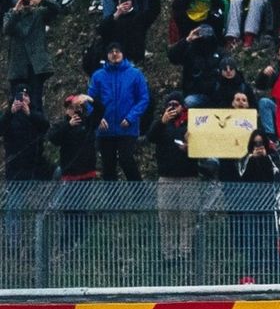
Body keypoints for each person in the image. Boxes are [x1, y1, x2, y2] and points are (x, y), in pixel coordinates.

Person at [145, 90, 199, 260]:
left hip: (189, 177)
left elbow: (203, 147)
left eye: (176, 105)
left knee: (187, 218)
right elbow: (150, 137)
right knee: (166, 218)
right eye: (169, 105)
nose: (173, 108)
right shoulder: (161, 124)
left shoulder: (192, 123)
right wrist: (162, 121)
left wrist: (190, 148)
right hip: (166, 178)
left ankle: (185, 253)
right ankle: (168, 254)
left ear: (183, 106)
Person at [87, 41, 149, 180]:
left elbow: (143, 99)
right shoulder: (98, 75)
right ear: (107, 55)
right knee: (108, 165)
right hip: (105, 129)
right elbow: (89, 99)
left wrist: (131, 117)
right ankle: (111, 194)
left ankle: (140, 192)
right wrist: (97, 117)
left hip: (127, 127)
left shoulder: (135, 74)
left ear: (123, 54)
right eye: (111, 52)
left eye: (117, 51)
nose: (114, 54)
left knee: (126, 159)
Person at [4, 0, 60, 113]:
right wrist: (16, 11)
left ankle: (38, 124)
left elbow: (57, 9)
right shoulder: (11, 15)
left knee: (35, 102)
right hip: (18, 67)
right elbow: (7, 29)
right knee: (17, 103)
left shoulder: (39, 13)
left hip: (36, 66)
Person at [49, 93, 104, 181]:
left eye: (77, 107)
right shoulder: (61, 125)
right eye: (71, 108)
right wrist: (69, 125)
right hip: (69, 173)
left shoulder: (88, 122)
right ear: (66, 110)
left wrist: (89, 99)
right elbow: (53, 138)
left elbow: (100, 110)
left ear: (81, 109)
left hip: (88, 172)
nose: (74, 110)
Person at [0, 85, 50, 180]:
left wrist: (30, 114)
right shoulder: (9, 115)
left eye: (26, 95)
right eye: (20, 96)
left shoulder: (35, 112)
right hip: (14, 166)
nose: (23, 98)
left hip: (33, 164)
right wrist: (10, 113)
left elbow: (45, 126)